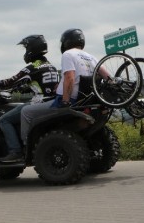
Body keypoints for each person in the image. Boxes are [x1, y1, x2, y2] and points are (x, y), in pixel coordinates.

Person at [15, 28, 105, 158]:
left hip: (70, 100)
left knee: (26, 112)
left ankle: (24, 148)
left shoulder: (68, 54)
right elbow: (108, 77)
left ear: (66, 42)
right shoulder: (91, 57)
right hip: (86, 100)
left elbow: (70, 77)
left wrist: (65, 101)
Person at [0, 35, 61, 162]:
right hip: (52, 101)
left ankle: (16, 151)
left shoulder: (33, 67)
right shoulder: (50, 66)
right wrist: (25, 88)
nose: (25, 52)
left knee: (4, 120)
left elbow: (11, 80)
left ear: (31, 49)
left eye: (26, 48)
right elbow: (43, 85)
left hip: (39, 102)